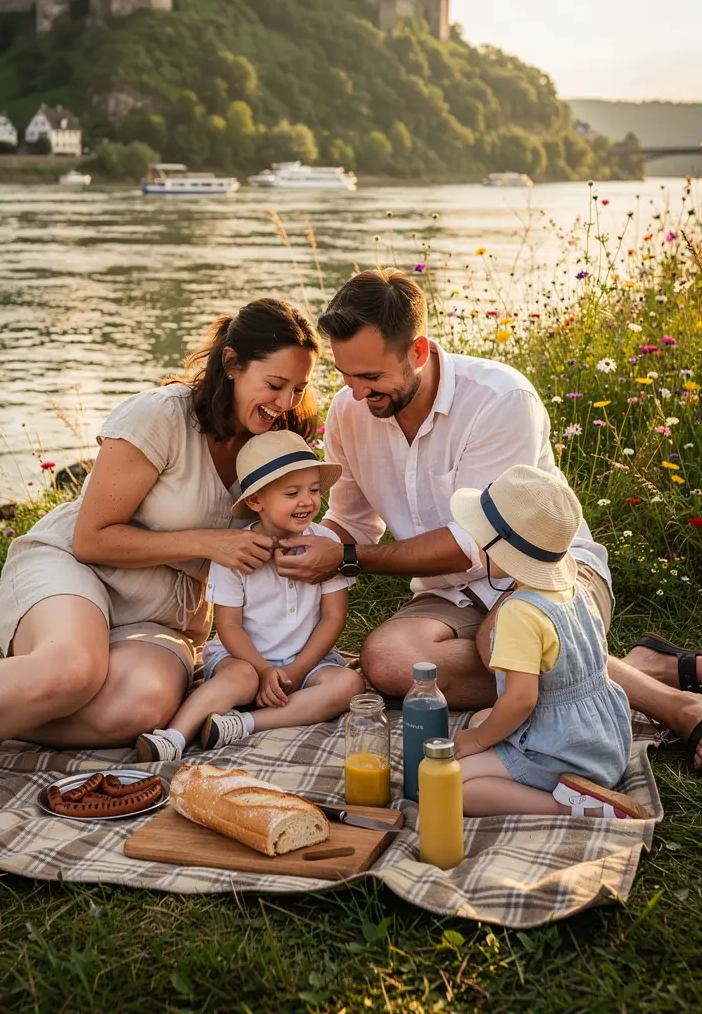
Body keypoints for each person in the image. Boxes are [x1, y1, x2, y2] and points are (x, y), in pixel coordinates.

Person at [274, 269, 702, 772]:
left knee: (504, 638)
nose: (357, 394)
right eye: (346, 376)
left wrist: (346, 560)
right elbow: (352, 520)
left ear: (418, 352)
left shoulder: (500, 399)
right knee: (387, 662)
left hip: (544, 573)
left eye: (371, 377)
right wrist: (295, 543)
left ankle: (680, 707)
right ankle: (628, 667)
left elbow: (474, 543)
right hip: (451, 594)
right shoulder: (351, 412)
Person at [0, 298, 322, 758]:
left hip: (163, 613)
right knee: (72, 671)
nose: (285, 403)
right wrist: (209, 544)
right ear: (232, 363)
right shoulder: (161, 416)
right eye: (275, 385)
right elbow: (90, 539)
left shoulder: (276, 445)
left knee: (140, 710)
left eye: (298, 389)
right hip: (75, 569)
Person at [136, 430, 364, 761]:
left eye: (314, 490)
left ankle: (244, 723)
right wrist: (262, 669)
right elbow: (228, 627)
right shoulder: (235, 552)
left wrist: (298, 670)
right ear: (256, 501)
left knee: (348, 685)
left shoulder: (325, 542)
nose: (307, 501)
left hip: (307, 662)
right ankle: (174, 736)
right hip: (244, 658)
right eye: (292, 493)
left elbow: (334, 616)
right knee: (238, 678)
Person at [449, 464, 647, 819]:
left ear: (499, 546)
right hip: (604, 740)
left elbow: (522, 699)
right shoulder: (572, 588)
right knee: (481, 718)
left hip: (564, 754)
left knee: (453, 786)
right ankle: (581, 784)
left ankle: (567, 804)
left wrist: (478, 742)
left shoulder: (519, 613)